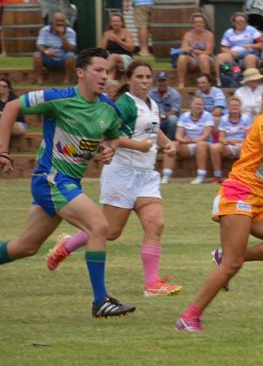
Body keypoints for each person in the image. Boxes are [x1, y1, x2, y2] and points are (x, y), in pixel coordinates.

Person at [175, 76, 263, 332]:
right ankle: (189, 317)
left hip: (258, 199)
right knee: (233, 264)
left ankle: (225, 255)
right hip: (239, 195)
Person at [0, 47, 135, 318]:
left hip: (68, 183)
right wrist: (3, 150)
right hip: (50, 179)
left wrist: (108, 149)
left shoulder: (107, 109)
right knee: (99, 226)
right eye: (98, 70)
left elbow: (112, 138)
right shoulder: (59, 99)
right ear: (81, 73)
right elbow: (13, 106)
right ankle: (101, 301)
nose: (104, 76)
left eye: (107, 71)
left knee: (25, 247)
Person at [46, 60, 182, 297]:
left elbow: (154, 129)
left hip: (146, 175)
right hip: (123, 172)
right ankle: (66, 246)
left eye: (148, 77)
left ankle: (152, 284)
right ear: (129, 80)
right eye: (139, 77)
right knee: (109, 232)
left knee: (156, 223)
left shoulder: (152, 104)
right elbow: (108, 136)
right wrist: (137, 146)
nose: (145, 81)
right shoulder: (124, 104)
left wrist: (167, 143)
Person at [164, 94, 212, 185]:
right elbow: (178, 135)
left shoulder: (208, 116)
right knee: (171, 144)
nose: (198, 106)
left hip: (204, 145)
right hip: (188, 145)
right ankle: (166, 175)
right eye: (196, 104)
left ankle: (200, 176)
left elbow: (206, 135)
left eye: (201, 104)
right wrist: (183, 140)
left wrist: (192, 141)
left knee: (201, 144)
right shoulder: (184, 116)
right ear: (191, 105)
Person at [209, 97, 255, 184]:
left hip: (241, 145)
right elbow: (221, 138)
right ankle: (217, 176)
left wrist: (237, 141)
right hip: (227, 145)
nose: (234, 107)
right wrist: (229, 141)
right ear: (228, 107)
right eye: (232, 105)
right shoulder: (223, 119)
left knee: (245, 147)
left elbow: (249, 138)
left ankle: (244, 176)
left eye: (236, 105)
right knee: (214, 147)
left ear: (240, 107)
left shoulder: (247, 118)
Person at [33, 11, 76, 84]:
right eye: (57, 21)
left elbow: (71, 49)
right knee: (37, 55)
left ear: (65, 22)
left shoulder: (71, 32)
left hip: (63, 58)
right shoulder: (44, 30)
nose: (60, 23)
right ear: (52, 21)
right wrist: (45, 51)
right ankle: (39, 80)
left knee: (71, 56)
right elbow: (39, 45)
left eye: (62, 21)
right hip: (48, 58)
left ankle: (67, 80)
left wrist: (62, 36)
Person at [177, 12, 216, 88]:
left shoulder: (209, 35)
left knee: (203, 57)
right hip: (193, 59)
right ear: (193, 24)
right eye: (196, 22)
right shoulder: (188, 34)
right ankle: (181, 83)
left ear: (204, 24)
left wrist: (199, 52)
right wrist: (187, 49)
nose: (199, 24)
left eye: (201, 22)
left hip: (207, 59)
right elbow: (183, 49)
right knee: (182, 58)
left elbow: (209, 52)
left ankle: (207, 82)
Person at [100, 11, 137, 79]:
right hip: (111, 60)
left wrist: (117, 40)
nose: (115, 23)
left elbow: (131, 48)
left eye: (117, 21)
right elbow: (102, 50)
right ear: (110, 23)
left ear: (122, 23)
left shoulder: (126, 33)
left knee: (114, 57)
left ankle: (101, 72)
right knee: (112, 70)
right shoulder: (107, 33)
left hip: (125, 59)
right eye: (113, 21)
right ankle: (107, 86)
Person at [150, 70, 182, 140]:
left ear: (168, 82)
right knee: (151, 119)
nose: (162, 83)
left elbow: (175, 111)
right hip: (155, 119)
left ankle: (169, 143)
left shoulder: (174, 94)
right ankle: (153, 143)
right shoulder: (151, 93)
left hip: (167, 121)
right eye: (160, 81)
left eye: (164, 81)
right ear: (157, 82)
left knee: (173, 119)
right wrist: (155, 116)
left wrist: (162, 116)